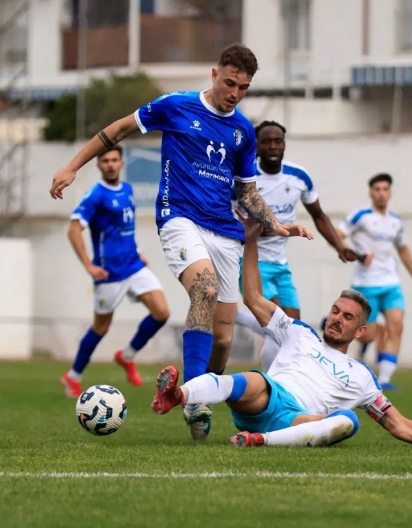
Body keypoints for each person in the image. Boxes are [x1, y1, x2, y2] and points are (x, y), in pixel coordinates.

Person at [50, 45, 303, 419]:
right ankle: (190, 397)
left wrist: (274, 224)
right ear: (215, 75)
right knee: (204, 289)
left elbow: (246, 191)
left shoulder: (243, 131)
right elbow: (118, 129)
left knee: (223, 339)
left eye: (244, 87)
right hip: (179, 218)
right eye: (230, 82)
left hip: (225, 231)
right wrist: (72, 166)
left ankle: (198, 400)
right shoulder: (176, 105)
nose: (234, 93)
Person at [150, 215, 412, 450]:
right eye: (336, 311)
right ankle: (179, 395)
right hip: (267, 397)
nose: (337, 318)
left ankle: (260, 440)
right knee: (254, 379)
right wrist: (251, 242)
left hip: (298, 420)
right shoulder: (299, 332)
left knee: (348, 421)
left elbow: (399, 425)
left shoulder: (363, 376)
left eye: (347, 317)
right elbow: (254, 299)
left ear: (361, 329)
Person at [235, 119, 355, 370]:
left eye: (277, 141)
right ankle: (273, 384)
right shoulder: (245, 180)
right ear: (256, 146)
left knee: (291, 331)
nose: (272, 146)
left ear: (284, 145)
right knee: (276, 323)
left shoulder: (299, 176)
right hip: (251, 261)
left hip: (281, 265)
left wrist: (339, 246)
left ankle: (235, 318)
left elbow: (319, 215)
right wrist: (272, 230)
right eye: (266, 142)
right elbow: (235, 222)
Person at [60, 146, 170, 398]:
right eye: (105, 161)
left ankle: (127, 355)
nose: (110, 164)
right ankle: (73, 375)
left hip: (134, 264)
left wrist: (138, 249)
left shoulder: (128, 190)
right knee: (101, 327)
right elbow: (73, 230)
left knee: (162, 312)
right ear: (99, 165)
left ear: (121, 163)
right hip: (108, 273)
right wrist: (89, 265)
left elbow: (126, 227)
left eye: (114, 160)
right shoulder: (96, 195)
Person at [336, 173, 412, 391]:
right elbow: (337, 235)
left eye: (385, 189)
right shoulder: (361, 215)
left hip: (391, 283)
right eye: (377, 189)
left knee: (396, 326)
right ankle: (340, 329)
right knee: (368, 333)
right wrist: (356, 253)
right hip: (365, 283)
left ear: (390, 192)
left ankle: (384, 380)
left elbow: (403, 249)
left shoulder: (395, 221)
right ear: (371, 193)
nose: (381, 193)